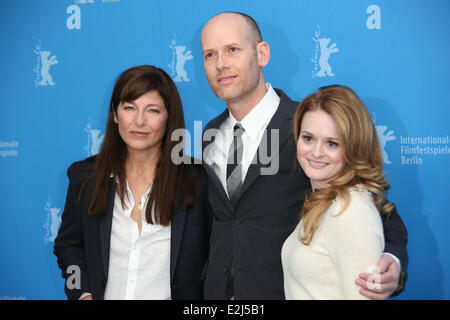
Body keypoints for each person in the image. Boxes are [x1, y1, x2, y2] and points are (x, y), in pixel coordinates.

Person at [200, 12, 408, 300]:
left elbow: (374, 208)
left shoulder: (308, 126)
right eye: (210, 54)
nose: (221, 64)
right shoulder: (210, 133)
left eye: (232, 50)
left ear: (262, 54)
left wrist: (393, 261)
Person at [54, 65, 210, 300]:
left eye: (153, 111)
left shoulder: (200, 180)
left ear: (169, 118)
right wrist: (82, 294)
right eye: (130, 108)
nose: (139, 121)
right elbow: (69, 247)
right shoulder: (85, 177)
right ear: (115, 115)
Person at [282, 84, 394, 299]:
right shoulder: (327, 202)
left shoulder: (350, 211)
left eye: (332, 143)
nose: (316, 152)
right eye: (308, 138)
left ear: (354, 146)